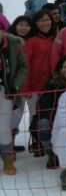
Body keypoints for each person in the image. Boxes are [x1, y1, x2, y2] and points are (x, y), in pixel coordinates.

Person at [0, 22, 26, 175]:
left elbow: (23, 66)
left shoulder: (13, 45)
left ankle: (7, 159)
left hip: (6, 90)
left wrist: (16, 85)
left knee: (4, 127)